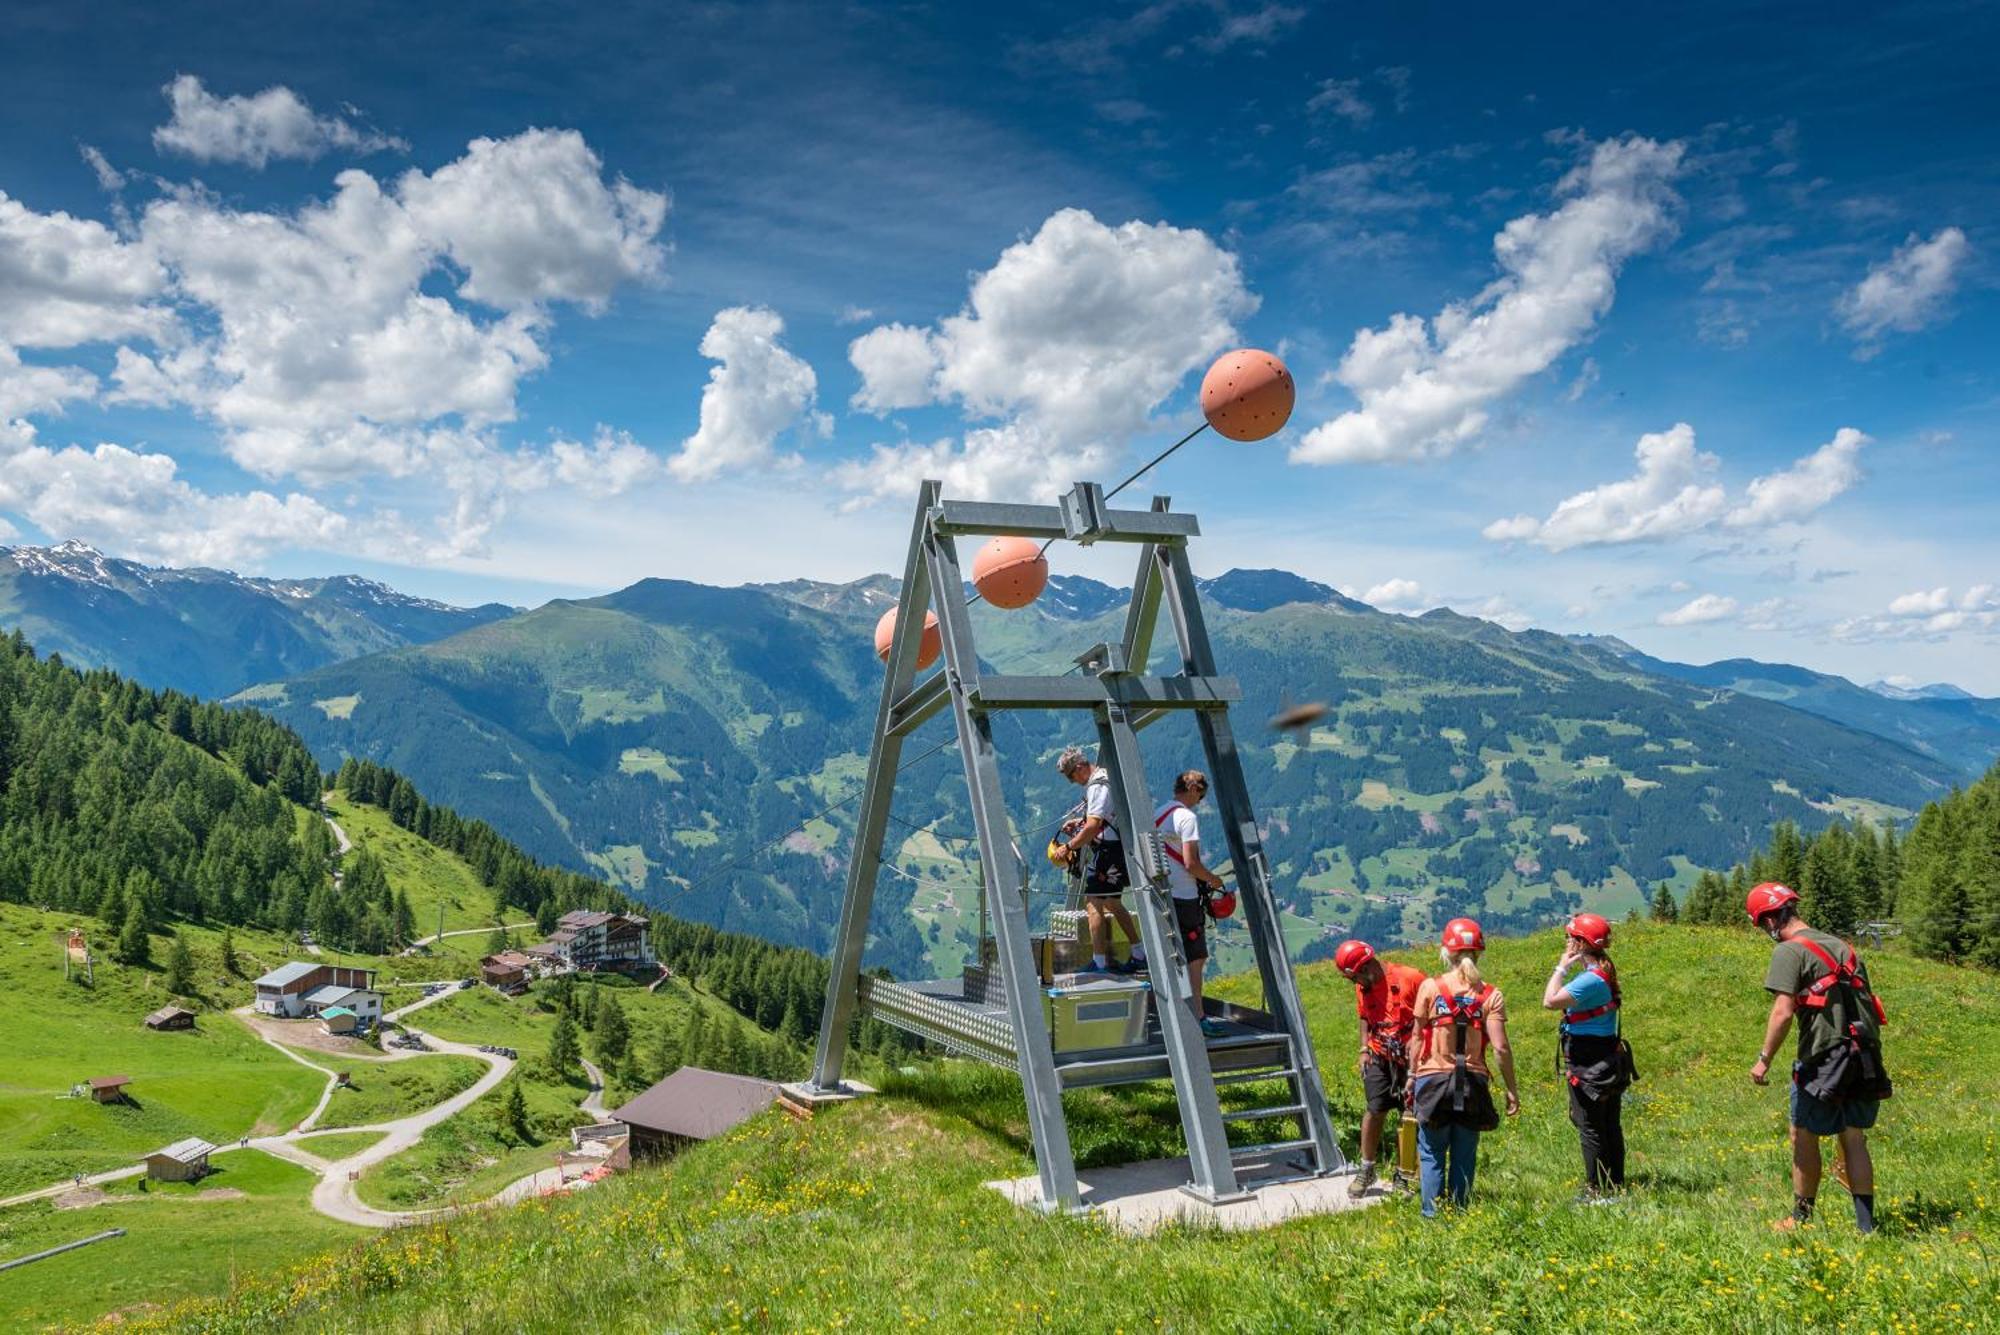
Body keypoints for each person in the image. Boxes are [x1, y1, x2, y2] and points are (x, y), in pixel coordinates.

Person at [1747, 882, 1891, 1234]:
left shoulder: (1789, 952)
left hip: (1824, 1056)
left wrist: (1764, 1059)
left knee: (1802, 1133)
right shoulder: (1843, 946)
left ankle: (1801, 1218)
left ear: (1769, 920)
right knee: (1853, 1136)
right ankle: (1866, 1227)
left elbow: (1782, 1012)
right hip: (1865, 1052)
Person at [1406, 917, 1519, 1218]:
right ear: (1479, 952)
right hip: (1473, 1083)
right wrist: (1511, 1089)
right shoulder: (1491, 995)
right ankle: (1460, 1214)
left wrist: (1410, 1077)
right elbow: (1501, 1047)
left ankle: (1432, 1216)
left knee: (1430, 1153)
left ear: (1447, 951)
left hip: (1432, 1080)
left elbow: (1417, 1038)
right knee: (1464, 1154)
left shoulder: (1431, 987)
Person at [1541, 912, 1631, 1201]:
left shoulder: (1590, 980)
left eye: (1570, 937)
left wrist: (1561, 967)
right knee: (1608, 1122)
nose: (1566, 941)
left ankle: (1595, 1190)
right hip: (1606, 1053)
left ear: (1580, 943)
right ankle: (1614, 1182)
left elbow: (1549, 1001)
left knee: (1589, 1124)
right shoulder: (1604, 971)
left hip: (1586, 1056)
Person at [1333, 938, 1426, 1198]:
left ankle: (1403, 1175)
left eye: (1354, 979)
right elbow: (1364, 1016)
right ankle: (1367, 1168)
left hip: (1409, 1057)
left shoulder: (1412, 979)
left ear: (1366, 968)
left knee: (1409, 1116)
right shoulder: (1364, 987)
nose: (1354, 984)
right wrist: (1364, 1049)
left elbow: (1431, 1015)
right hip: (1379, 1054)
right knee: (1375, 1110)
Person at [1054, 746, 1145, 975]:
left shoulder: (1097, 786)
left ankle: (1100, 964)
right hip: (1117, 848)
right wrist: (1079, 822)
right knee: (1113, 903)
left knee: (1093, 902)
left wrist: (1068, 846)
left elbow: (1094, 826)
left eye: (1071, 776)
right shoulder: (1105, 777)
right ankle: (1138, 953)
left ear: (1080, 767)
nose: (1072, 781)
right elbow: (1102, 817)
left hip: (1108, 851)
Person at [1153, 770, 1228, 1035]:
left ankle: (1170, 1014)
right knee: (1196, 957)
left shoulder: (1159, 814)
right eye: (1202, 794)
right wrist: (1214, 880)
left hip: (1161, 894)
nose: (1201, 800)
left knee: (1168, 955)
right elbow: (1191, 863)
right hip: (1185, 896)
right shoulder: (1187, 818)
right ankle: (1198, 1016)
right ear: (1194, 789)